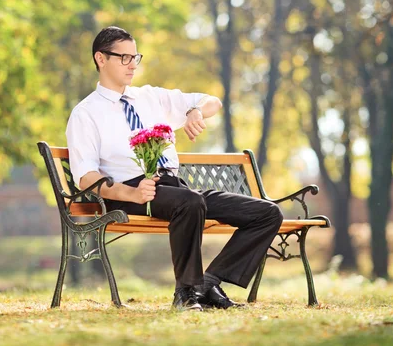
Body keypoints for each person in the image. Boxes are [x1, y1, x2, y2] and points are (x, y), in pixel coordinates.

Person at [66, 26, 284, 311]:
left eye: (135, 57)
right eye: (124, 58)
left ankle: (208, 282)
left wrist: (194, 111)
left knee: (266, 213)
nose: (132, 65)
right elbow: (86, 177)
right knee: (190, 202)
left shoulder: (151, 97)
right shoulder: (86, 113)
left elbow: (212, 102)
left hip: (174, 189)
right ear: (100, 59)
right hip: (127, 193)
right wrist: (132, 194)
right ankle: (186, 292)